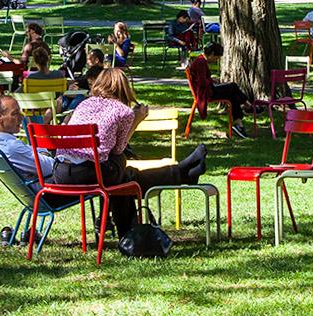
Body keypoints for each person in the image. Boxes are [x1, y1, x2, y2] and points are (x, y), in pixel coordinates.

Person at [45, 71, 207, 231]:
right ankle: (181, 173)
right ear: (124, 88)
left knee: (124, 178)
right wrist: (136, 120)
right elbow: (119, 150)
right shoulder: (123, 111)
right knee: (122, 165)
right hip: (87, 173)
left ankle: (181, 174)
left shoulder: (84, 104)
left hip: (62, 171)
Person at [183, 43, 253, 139]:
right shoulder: (201, 63)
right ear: (211, 54)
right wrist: (211, 80)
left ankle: (239, 125)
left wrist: (212, 80)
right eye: (216, 57)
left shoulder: (200, 60)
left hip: (208, 90)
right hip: (206, 93)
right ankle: (248, 106)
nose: (216, 60)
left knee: (233, 97)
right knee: (233, 86)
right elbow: (202, 82)